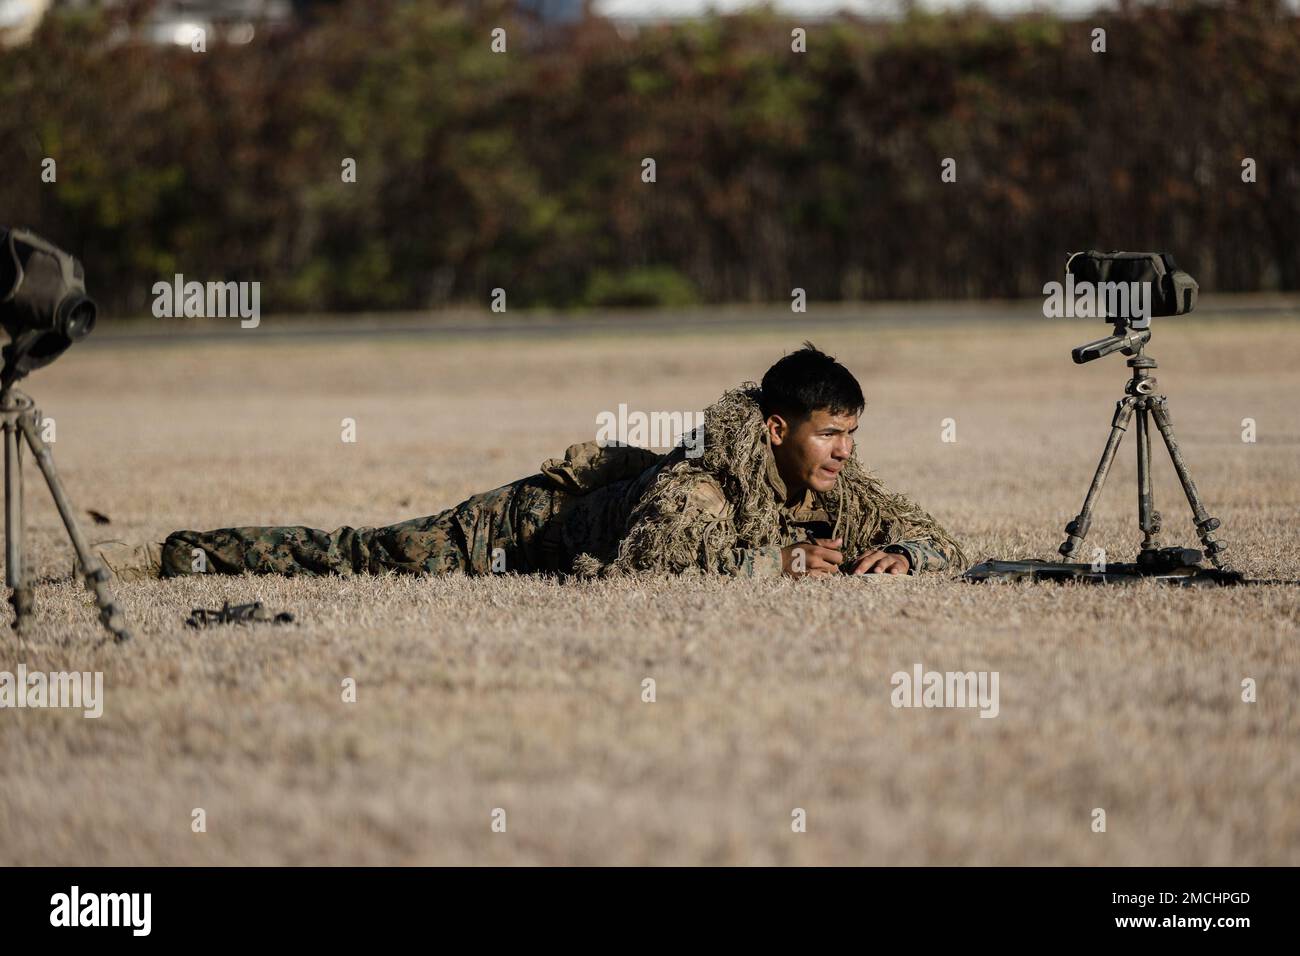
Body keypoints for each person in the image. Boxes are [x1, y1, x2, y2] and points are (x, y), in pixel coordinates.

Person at [156, 343, 965, 580]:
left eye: (852, 434)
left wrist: (905, 554)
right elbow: (650, 569)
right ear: (777, 428)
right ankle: (194, 551)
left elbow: (941, 538)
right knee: (371, 554)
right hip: (519, 530)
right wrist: (780, 563)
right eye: (830, 434)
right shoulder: (701, 487)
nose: (844, 452)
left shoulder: (836, 482)